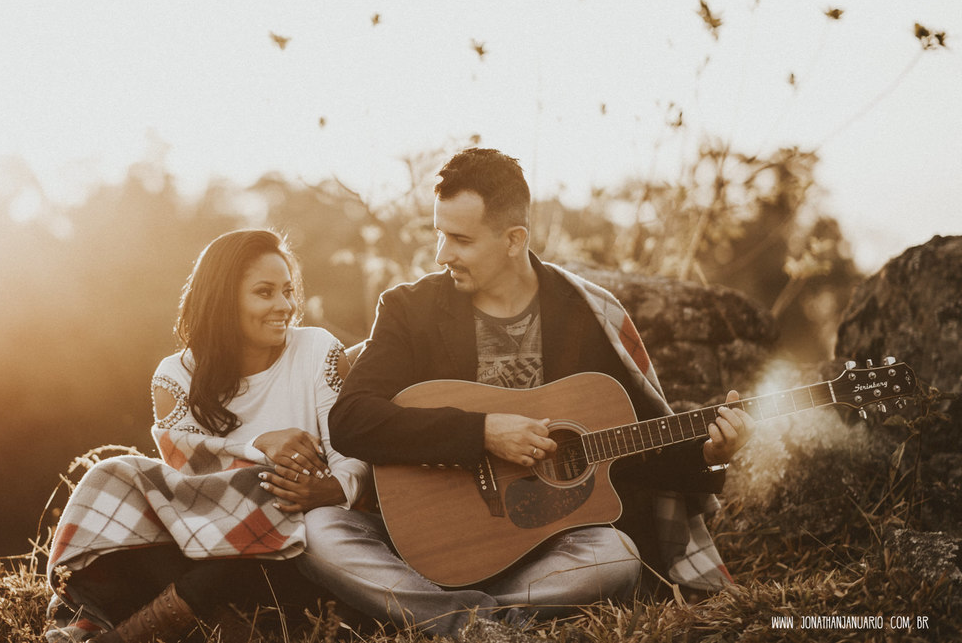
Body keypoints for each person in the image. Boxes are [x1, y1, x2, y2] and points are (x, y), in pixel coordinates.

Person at [298, 148, 754, 638]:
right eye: (439, 234)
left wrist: (712, 456)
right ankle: (475, 623)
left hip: (545, 552)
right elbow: (352, 421)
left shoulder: (585, 314)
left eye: (460, 239)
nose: (441, 254)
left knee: (615, 557)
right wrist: (482, 431)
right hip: (424, 541)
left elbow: (636, 445)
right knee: (319, 532)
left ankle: (446, 615)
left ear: (514, 239)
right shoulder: (411, 310)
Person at [46, 229, 370, 643]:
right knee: (116, 474)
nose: (285, 305)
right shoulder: (176, 376)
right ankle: (107, 619)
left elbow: (352, 454)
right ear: (223, 299)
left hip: (295, 552)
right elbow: (190, 490)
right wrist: (258, 447)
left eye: (288, 291)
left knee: (247, 539)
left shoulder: (317, 350)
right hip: (205, 544)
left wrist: (327, 491)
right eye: (265, 292)